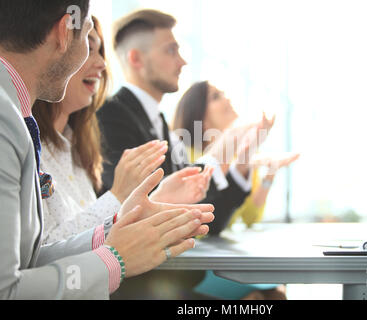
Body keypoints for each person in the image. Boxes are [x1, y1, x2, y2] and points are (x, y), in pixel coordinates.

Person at [0, 0, 214, 300]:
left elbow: (29, 263)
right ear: (64, 32)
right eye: (88, 40)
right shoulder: (5, 120)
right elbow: (7, 291)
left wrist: (114, 229)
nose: (101, 63)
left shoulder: (20, 118)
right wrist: (114, 259)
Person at [97, 9, 273, 299]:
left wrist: (241, 159)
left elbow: (210, 221)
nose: (182, 61)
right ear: (136, 59)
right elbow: (127, 210)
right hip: (141, 285)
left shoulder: (159, 123)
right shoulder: (112, 116)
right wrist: (223, 147)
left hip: (174, 277)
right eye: (171, 50)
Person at [33, 16, 213, 245]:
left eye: (100, 52)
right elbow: (42, 253)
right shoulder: (109, 117)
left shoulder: (79, 147)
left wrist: (159, 198)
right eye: (88, 48)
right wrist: (122, 194)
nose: (101, 64)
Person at [173, 81, 299, 300]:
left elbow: (250, 217)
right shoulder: (186, 156)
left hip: (220, 257)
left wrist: (269, 174)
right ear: (199, 116)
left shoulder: (240, 160)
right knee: (266, 294)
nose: (227, 99)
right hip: (195, 264)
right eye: (215, 97)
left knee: (275, 289)